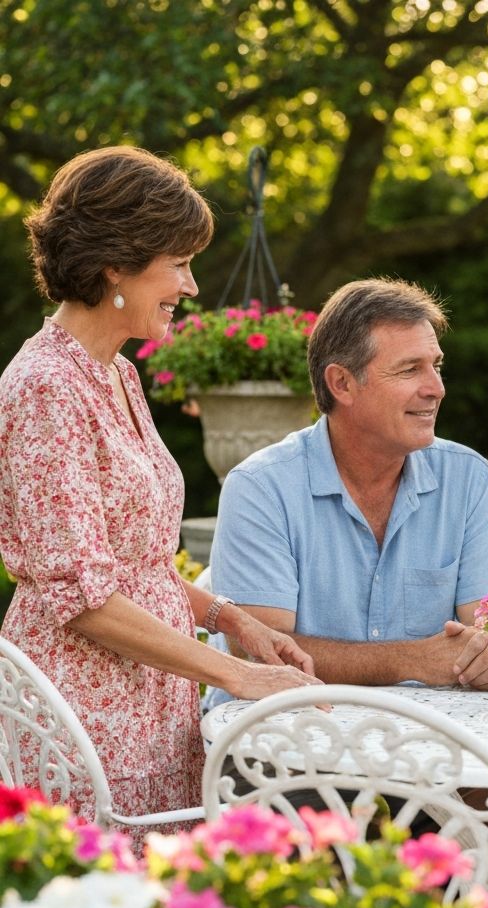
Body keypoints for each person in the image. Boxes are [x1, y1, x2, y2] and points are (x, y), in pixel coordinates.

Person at [0, 147, 316, 843]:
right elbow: (82, 596)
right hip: (89, 710)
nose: (193, 285)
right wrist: (238, 676)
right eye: (178, 263)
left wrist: (232, 617)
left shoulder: (116, 375)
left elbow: (134, 565)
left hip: (150, 696)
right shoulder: (47, 387)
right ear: (117, 261)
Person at [205, 276, 488, 700]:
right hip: (279, 746)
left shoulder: (466, 478)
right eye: (410, 369)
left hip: (429, 745)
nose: (436, 389)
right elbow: (260, 651)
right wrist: (414, 660)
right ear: (342, 384)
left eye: (436, 366)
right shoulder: (262, 487)